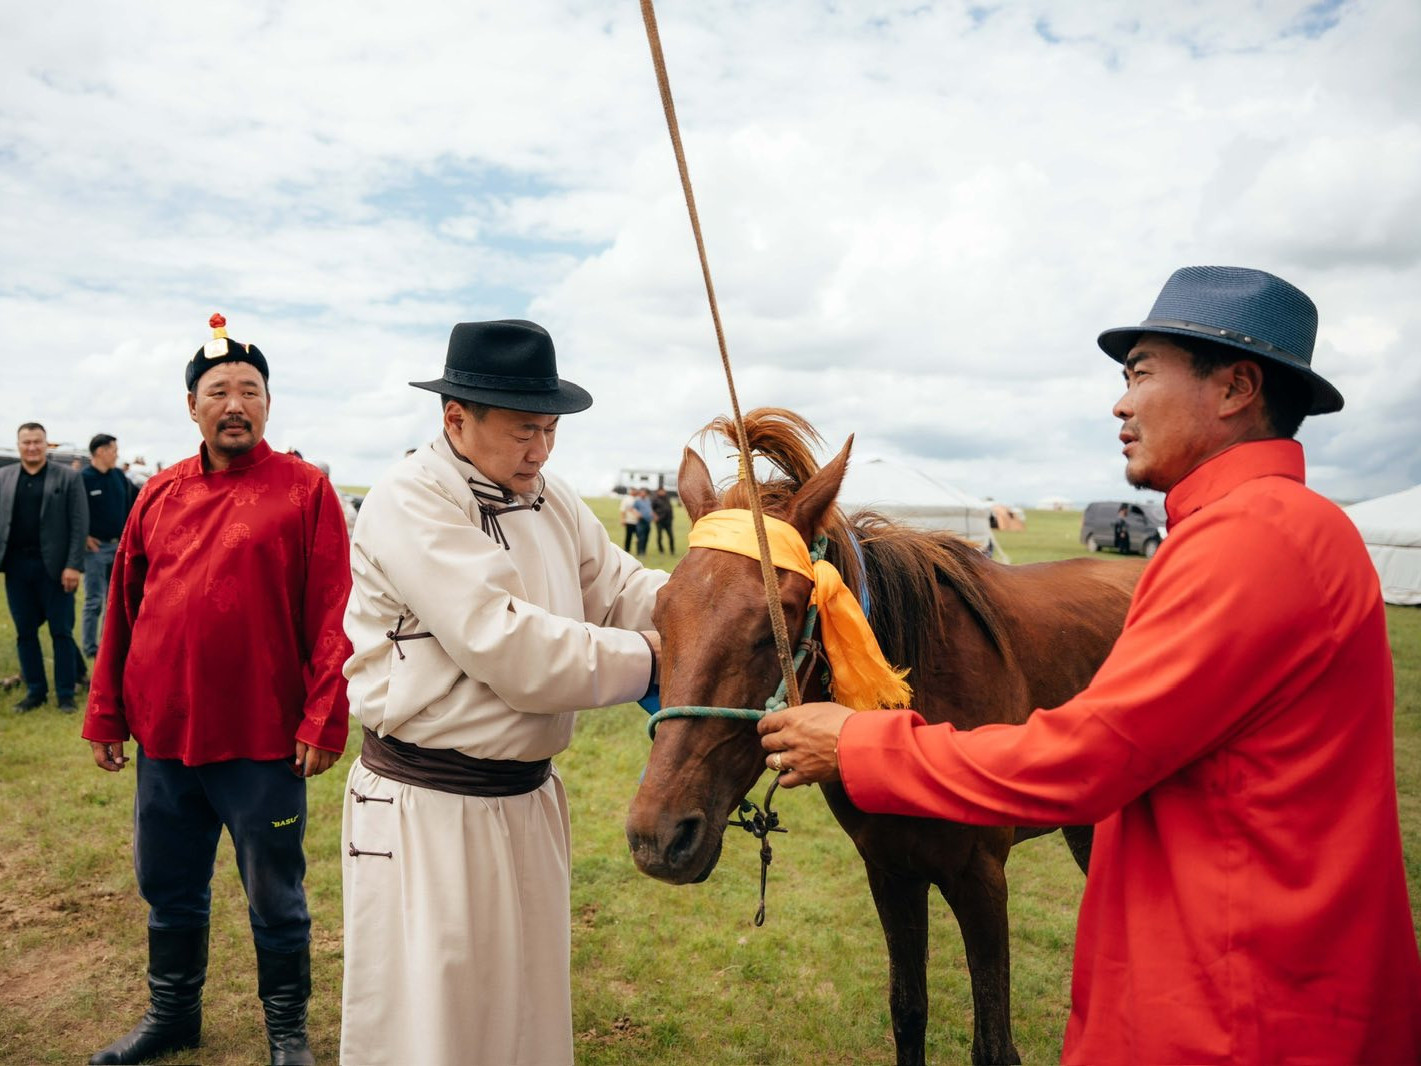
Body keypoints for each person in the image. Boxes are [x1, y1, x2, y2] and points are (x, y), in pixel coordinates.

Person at [758, 266, 1421, 1063]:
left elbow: (1089, 758)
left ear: (1235, 387)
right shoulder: (1294, 527)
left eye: (1140, 374)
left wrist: (862, 745)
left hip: (1234, 1004)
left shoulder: (1247, 542)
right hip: (1273, 966)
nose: (1119, 402)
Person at [340, 319, 668, 1066]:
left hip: (525, 801)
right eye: (525, 431)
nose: (541, 450)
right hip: (430, 811)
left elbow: (621, 587)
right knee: (433, 1021)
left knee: (523, 1013)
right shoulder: (410, 499)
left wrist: (718, 605)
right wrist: (650, 660)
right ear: (456, 418)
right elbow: (511, 646)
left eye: (549, 431)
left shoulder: (549, 499)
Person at [82, 313, 352, 1066]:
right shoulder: (158, 494)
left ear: (268, 404)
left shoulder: (305, 493)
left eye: (250, 390)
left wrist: (324, 717)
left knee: (275, 896)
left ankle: (286, 1034)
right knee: (169, 886)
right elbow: (124, 613)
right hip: (166, 734)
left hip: (262, 737)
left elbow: (335, 613)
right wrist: (107, 711)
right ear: (192, 406)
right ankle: (173, 1017)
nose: (235, 402)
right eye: (218, 390)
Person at [0, 422, 88, 712]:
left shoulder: (68, 477)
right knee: (25, 632)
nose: (32, 447)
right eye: (26, 442)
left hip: (56, 568)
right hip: (16, 567)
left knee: (61, 632)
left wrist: (73, 565)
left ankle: (65, 694)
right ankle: (35, 691)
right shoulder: (5, 477)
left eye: (37, 442)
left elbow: (79, 523)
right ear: (18, 444)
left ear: (46, 444)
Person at [80, 433, 135, 666]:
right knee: (94, 600)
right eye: (113, 450)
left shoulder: (119, 478)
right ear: (101, 451)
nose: (117, 454)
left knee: (115, 602)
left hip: (118, 547)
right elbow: (73, 510)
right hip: (95, 549)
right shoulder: (83, 479)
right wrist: (83, 535)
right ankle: (90, 648)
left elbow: (137, 502)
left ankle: (108, 645)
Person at [651, 485, 675, 553]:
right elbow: (651, 509)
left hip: (668, 521)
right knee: (659, 536)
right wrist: (655, 516)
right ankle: (661, 550)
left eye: (663, 491)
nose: (662, 492)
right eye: (661, 491)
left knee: (671, 536)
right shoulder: (655, 499)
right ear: (658, 492)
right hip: (660, 521)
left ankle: (672, 550)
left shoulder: (667, 498)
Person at [633, 486, 654, 556]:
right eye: (641, 492)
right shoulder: (637, 501)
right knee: (641, 537)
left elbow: (650, 509)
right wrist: (637, 514)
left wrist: (652, 514)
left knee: (646, 537)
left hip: (648, 521)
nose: (642, 494)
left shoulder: (648, 500)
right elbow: (633, 509)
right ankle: (639, 552)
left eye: (644, 492)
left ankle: (644, 551)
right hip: (641, 521)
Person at [619, 486, 640, 552]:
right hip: (629, 521)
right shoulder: (626, 499)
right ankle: (627, 550)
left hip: (638, 521)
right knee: (628, 536)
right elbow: (622, 510)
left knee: (639, 536)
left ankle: (639, 550)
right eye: (632, 490)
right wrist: (623, 519)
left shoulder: (638, 499)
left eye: (635, 490)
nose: (634, 492)